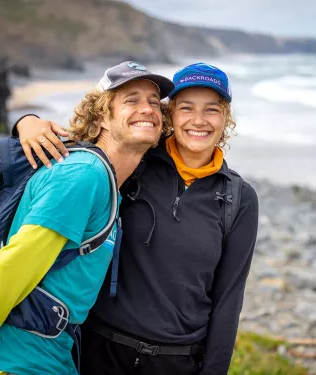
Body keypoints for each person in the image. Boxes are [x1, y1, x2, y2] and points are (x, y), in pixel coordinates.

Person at [15, 62, 259, 375]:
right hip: (98, 351)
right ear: (171, 115)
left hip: (177, 362)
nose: (199, 120)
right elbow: (80, 152)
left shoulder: (238, 198)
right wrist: (27, 122)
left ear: (226, 119)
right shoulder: (135, 162)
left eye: (212, 110)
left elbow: (229, 299)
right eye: (186, 108)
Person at [0, 61, 174, 375]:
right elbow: (12, 268)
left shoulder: (109, 184)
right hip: (17, 361)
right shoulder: (85, 175)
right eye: (131, 100)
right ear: (100, 117)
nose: (147, 108)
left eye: (153, 102)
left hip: (48, 357)